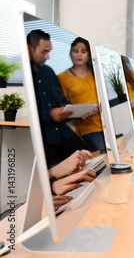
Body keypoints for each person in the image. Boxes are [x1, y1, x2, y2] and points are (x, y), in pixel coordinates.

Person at [27, 29, 92, 166]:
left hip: (63, 132)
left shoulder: (48, 71)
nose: (47, 57)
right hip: (45, 136)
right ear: (29, 48)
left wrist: (79, 114)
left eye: (49, 52)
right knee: (60, 171)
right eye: (44, 52)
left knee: (91, 159)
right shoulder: (22, 75)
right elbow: (20, 113)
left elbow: (62, 101)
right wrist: (48, 115)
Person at [58, 37, 105, 151]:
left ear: (88, 54)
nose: (79, 55)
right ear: (71, 53)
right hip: (88, 128)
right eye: (76, 51)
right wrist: (80, 115)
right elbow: (62, 105)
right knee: (105, 154)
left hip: (108, 123)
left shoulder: (97, 73)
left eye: (83, 52)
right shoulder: (62, 77)